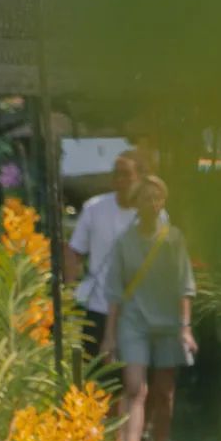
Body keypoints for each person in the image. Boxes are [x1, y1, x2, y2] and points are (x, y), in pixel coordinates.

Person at [101, 175, 196, 441]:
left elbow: (185, 286)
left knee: (164, 392)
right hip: (134, 321)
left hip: (168, 323)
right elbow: (115, 292)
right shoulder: (124, 243)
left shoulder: (173, 240)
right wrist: (109, 336)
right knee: (135, 387)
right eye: (145, 198)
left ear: (163, 202)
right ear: (136, 203)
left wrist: (185, 328)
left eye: (156, 198)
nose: (151, 204)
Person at [65, 151, 150, 360]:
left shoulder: (154, 214)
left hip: (138, 312)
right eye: (116, 174)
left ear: (141, 178)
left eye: (126, 174)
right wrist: (68, 292)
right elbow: (74, 251)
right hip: (98, 308)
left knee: (134, 381)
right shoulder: (94, 208)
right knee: (97, 379)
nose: (119, 180)